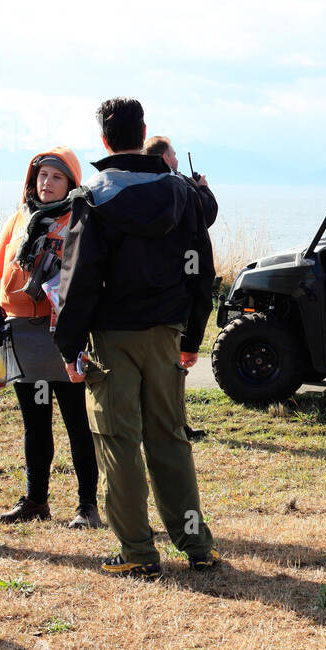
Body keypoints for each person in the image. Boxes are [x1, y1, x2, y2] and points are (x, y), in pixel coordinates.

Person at [54, 98, 218, 579]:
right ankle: (197, 545)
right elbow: (201, 271)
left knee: (117, 440)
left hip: (112, 336)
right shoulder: (182, 193)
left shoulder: (91, 197)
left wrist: (69, 345)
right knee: (169, 437)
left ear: (104, 138)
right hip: (166, 332)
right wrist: (192, 334)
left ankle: (137, 552)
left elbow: (78, 278)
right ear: (143, 130)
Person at [0, 148, 101, 528]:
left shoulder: (80, 219)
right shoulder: (20, 219)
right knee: (34, 424)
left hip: (64, 334)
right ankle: (36, 500)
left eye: (56, 176)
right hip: (22, 332)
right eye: (41, 175)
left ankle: (87, 506)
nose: (46, 182)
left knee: (77, 423)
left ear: (71, 182)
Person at [144, 135, 216, 441]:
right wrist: (205, 189)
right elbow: (206, 216)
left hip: (151, 291)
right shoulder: (181, 188)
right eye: (173, 153)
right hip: (180, 290)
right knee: (171, 368)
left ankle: (166, 423)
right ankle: (175, 425)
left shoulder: (143, 187)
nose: (176, 158)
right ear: (164, 157)